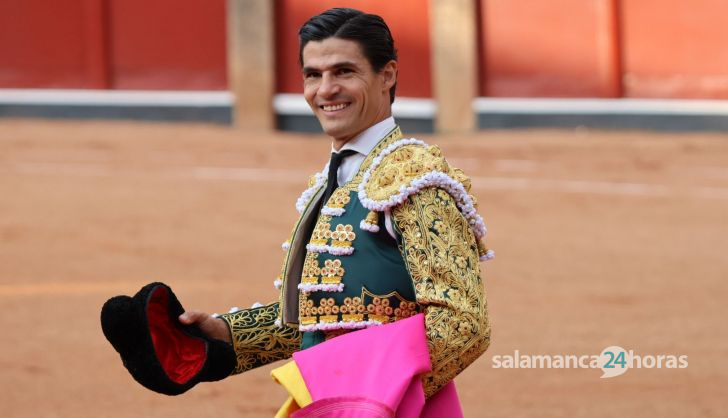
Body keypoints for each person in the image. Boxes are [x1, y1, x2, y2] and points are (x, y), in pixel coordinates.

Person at [178, 7, 492, 414]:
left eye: (344, 71)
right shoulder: (336, 181)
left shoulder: (415, 182)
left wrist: (368, 400)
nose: (325, 89)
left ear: (388, 75)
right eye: (313, 74)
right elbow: (327, 318)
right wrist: (225, 336)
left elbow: (463, 325)